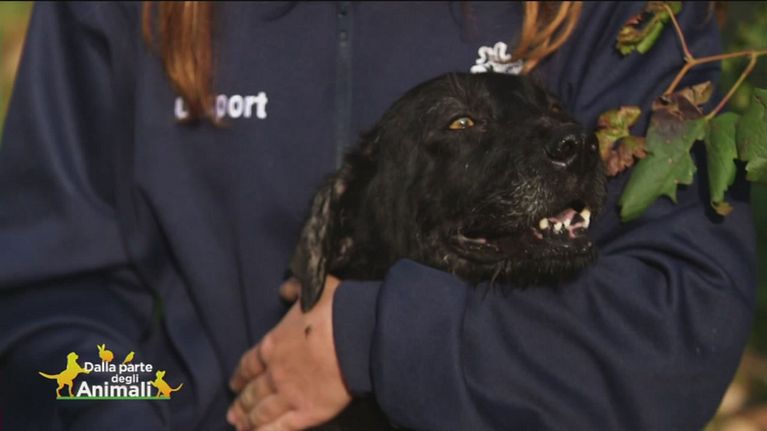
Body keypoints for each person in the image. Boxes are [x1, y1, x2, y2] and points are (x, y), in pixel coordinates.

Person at [0, 2, 756, 430]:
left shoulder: (613, 14)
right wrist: (140, 406)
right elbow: (47, 318)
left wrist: (376, 340)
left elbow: (681, 319)